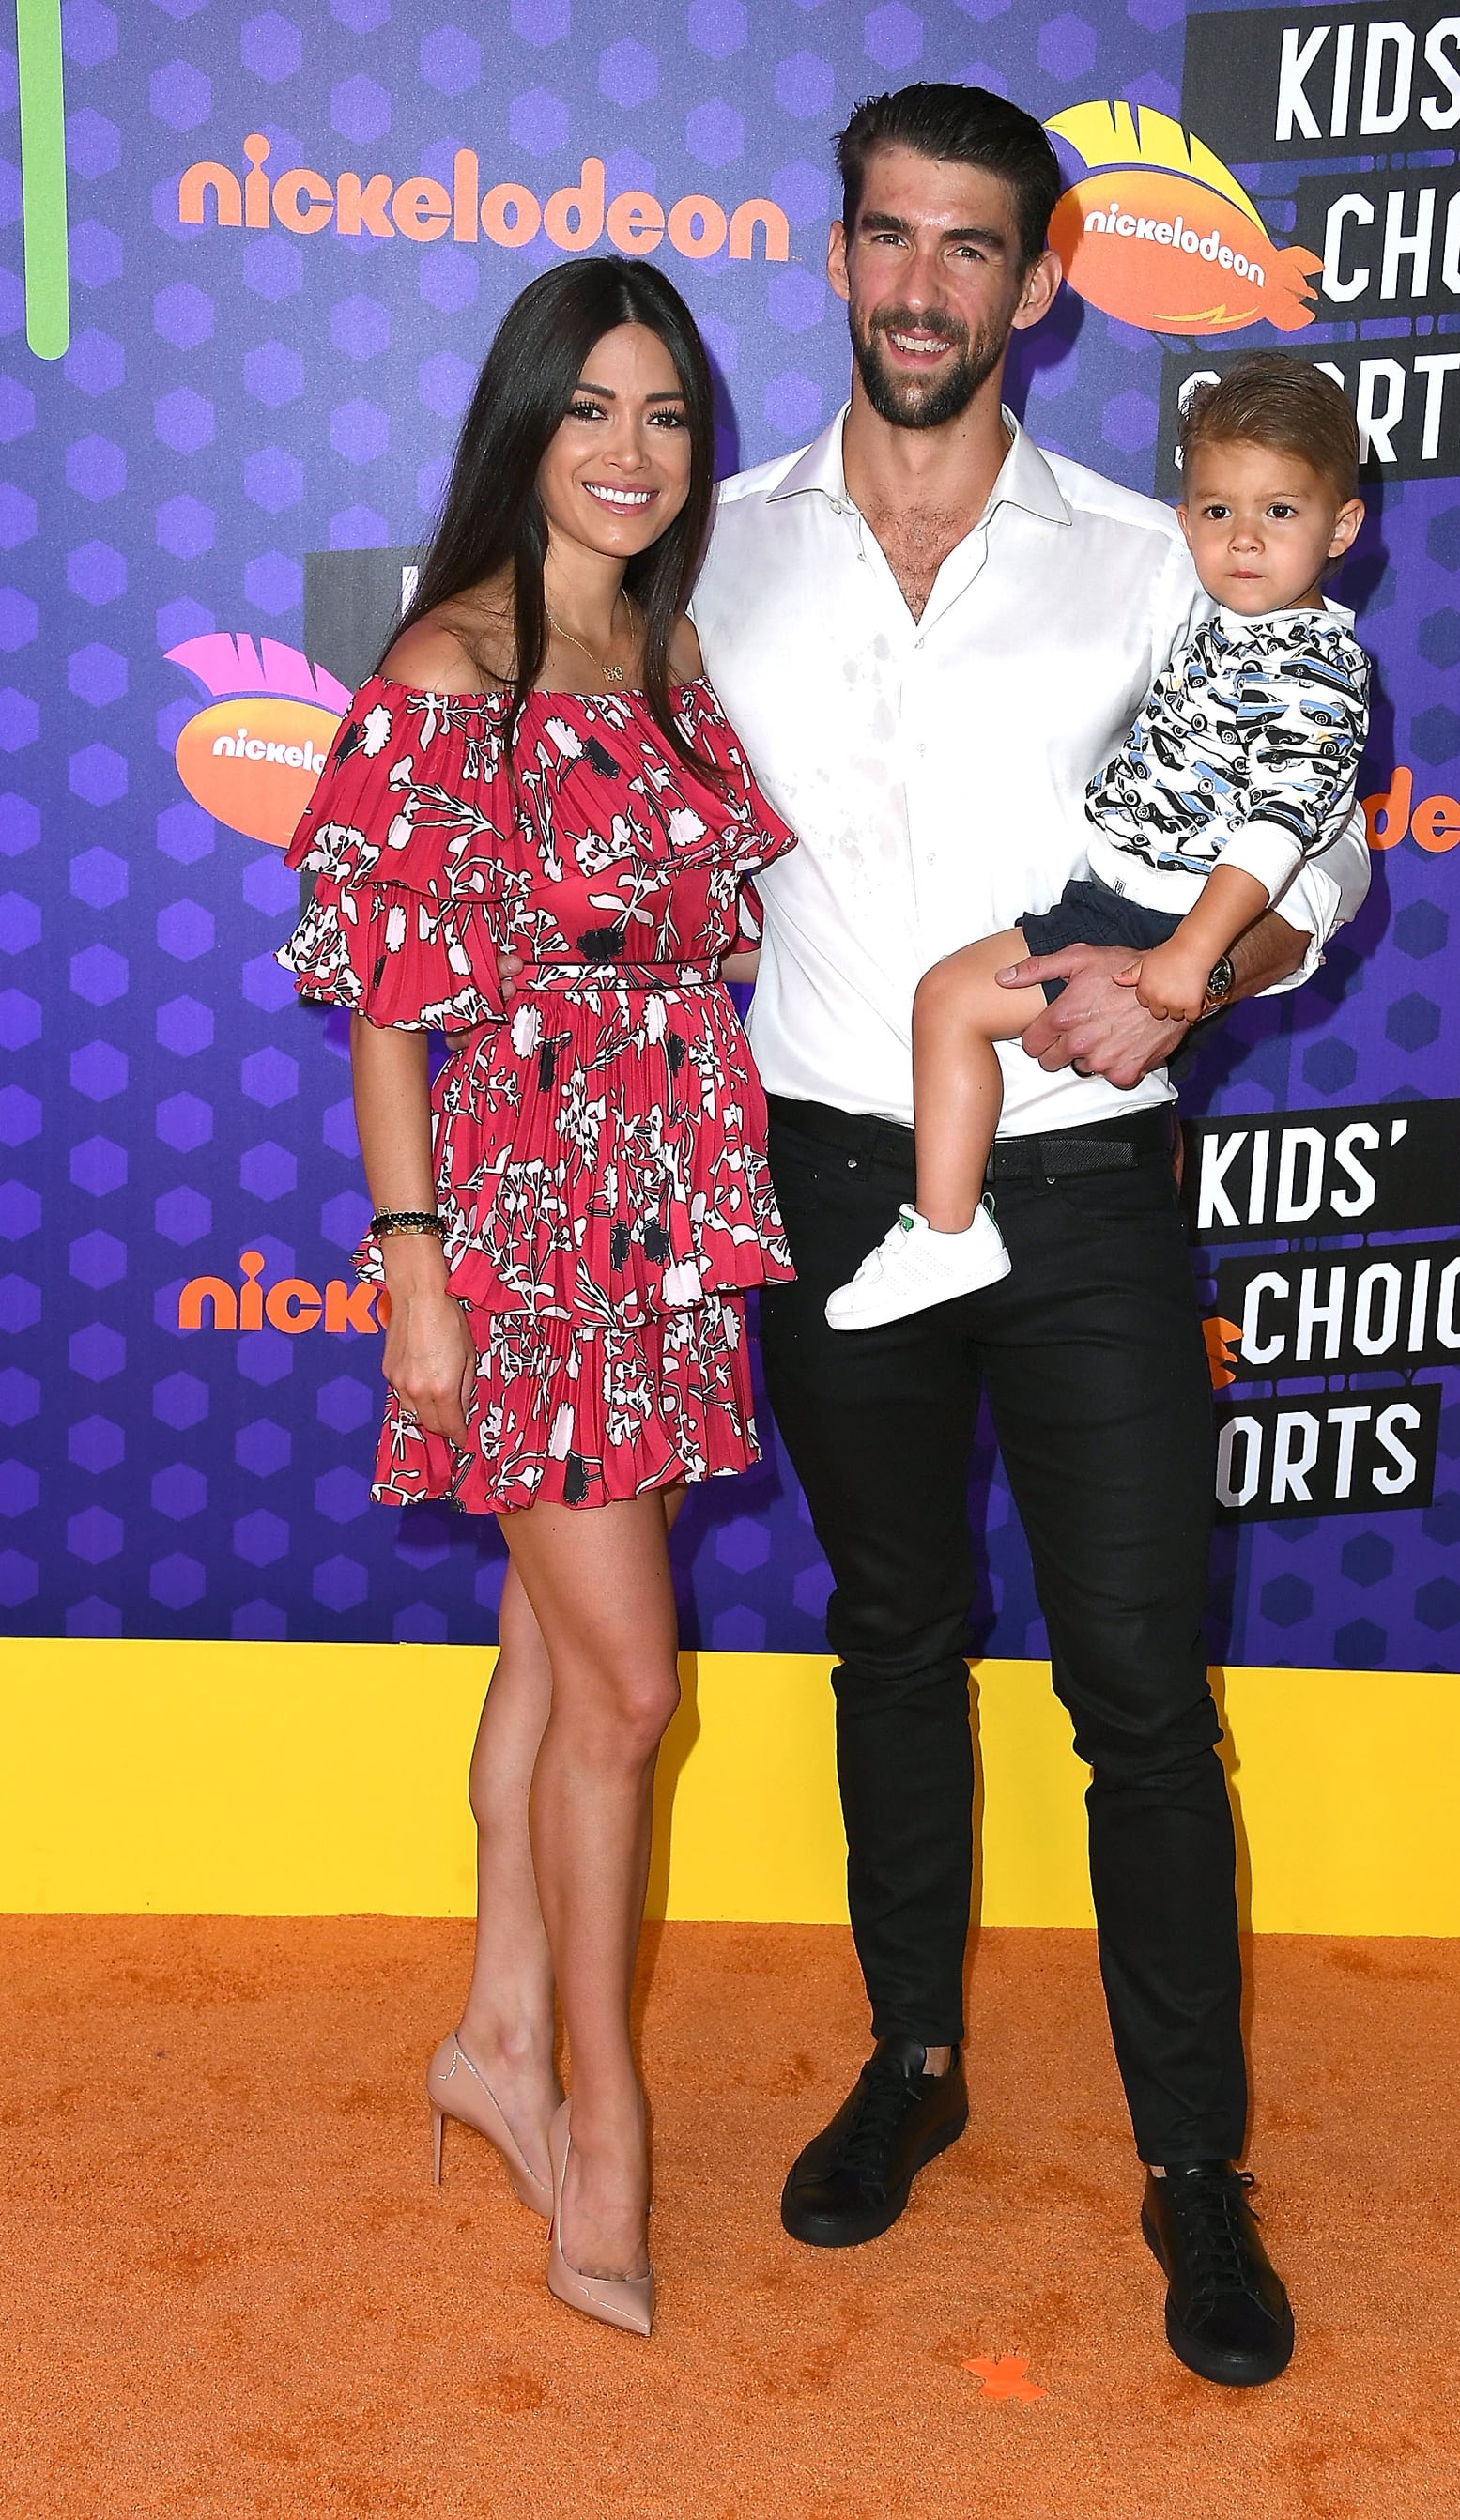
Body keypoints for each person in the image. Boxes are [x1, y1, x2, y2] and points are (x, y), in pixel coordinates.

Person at [690, 85, 1372, 2386]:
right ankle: (912, 2060)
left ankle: (1193, 2165)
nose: (918, 287)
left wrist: (1207, 966)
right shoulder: (713, 538)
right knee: (889, 1631)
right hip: (822, 1174)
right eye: (885, 238)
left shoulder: (1153, 549)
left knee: (1141, 1698)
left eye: (968, 249)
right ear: (840, 256)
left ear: (1041, 281)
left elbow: (1316, 839)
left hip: (1085, 1182)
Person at [277, 258, 792, 2340]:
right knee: (633, 1693)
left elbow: (725, 932)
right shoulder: (448, 667)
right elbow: (386, 1014)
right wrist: (417, 1278)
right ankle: (600, 2110)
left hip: (667, 1225)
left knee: (553, 1646)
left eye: (666, 415)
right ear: (521, 429)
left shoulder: (665, 663)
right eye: (588, 409)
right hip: (523, 1236)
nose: (629, 452)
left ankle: (493, 2030)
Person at [825, 355, 1370, 1329]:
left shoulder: (1310, 664)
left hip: (1147, 913)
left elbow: (1287, 823)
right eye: (1215, 512)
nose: (1242, 540)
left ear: (1340, 527)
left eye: (1278, 514)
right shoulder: (1228, 621)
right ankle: (948, 1229)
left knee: (947, 1001)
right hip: (1127, 895)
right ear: (1183, 515)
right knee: (949, 1002)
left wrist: (1191, 959)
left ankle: (943, 1234)